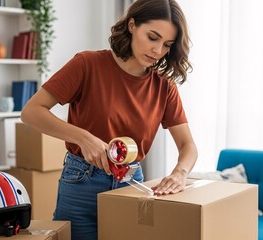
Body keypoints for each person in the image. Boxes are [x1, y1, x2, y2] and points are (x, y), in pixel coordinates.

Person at [20, 0, 197, 239]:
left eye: (167, 45)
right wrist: (83, 138)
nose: (158, 51)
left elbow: (188, 146)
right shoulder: (87, 64)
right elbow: (32, 111)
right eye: (152, 37)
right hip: (81, 180)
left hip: (131, 184)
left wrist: (180, 173)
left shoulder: (164, 86)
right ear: (132, 25)